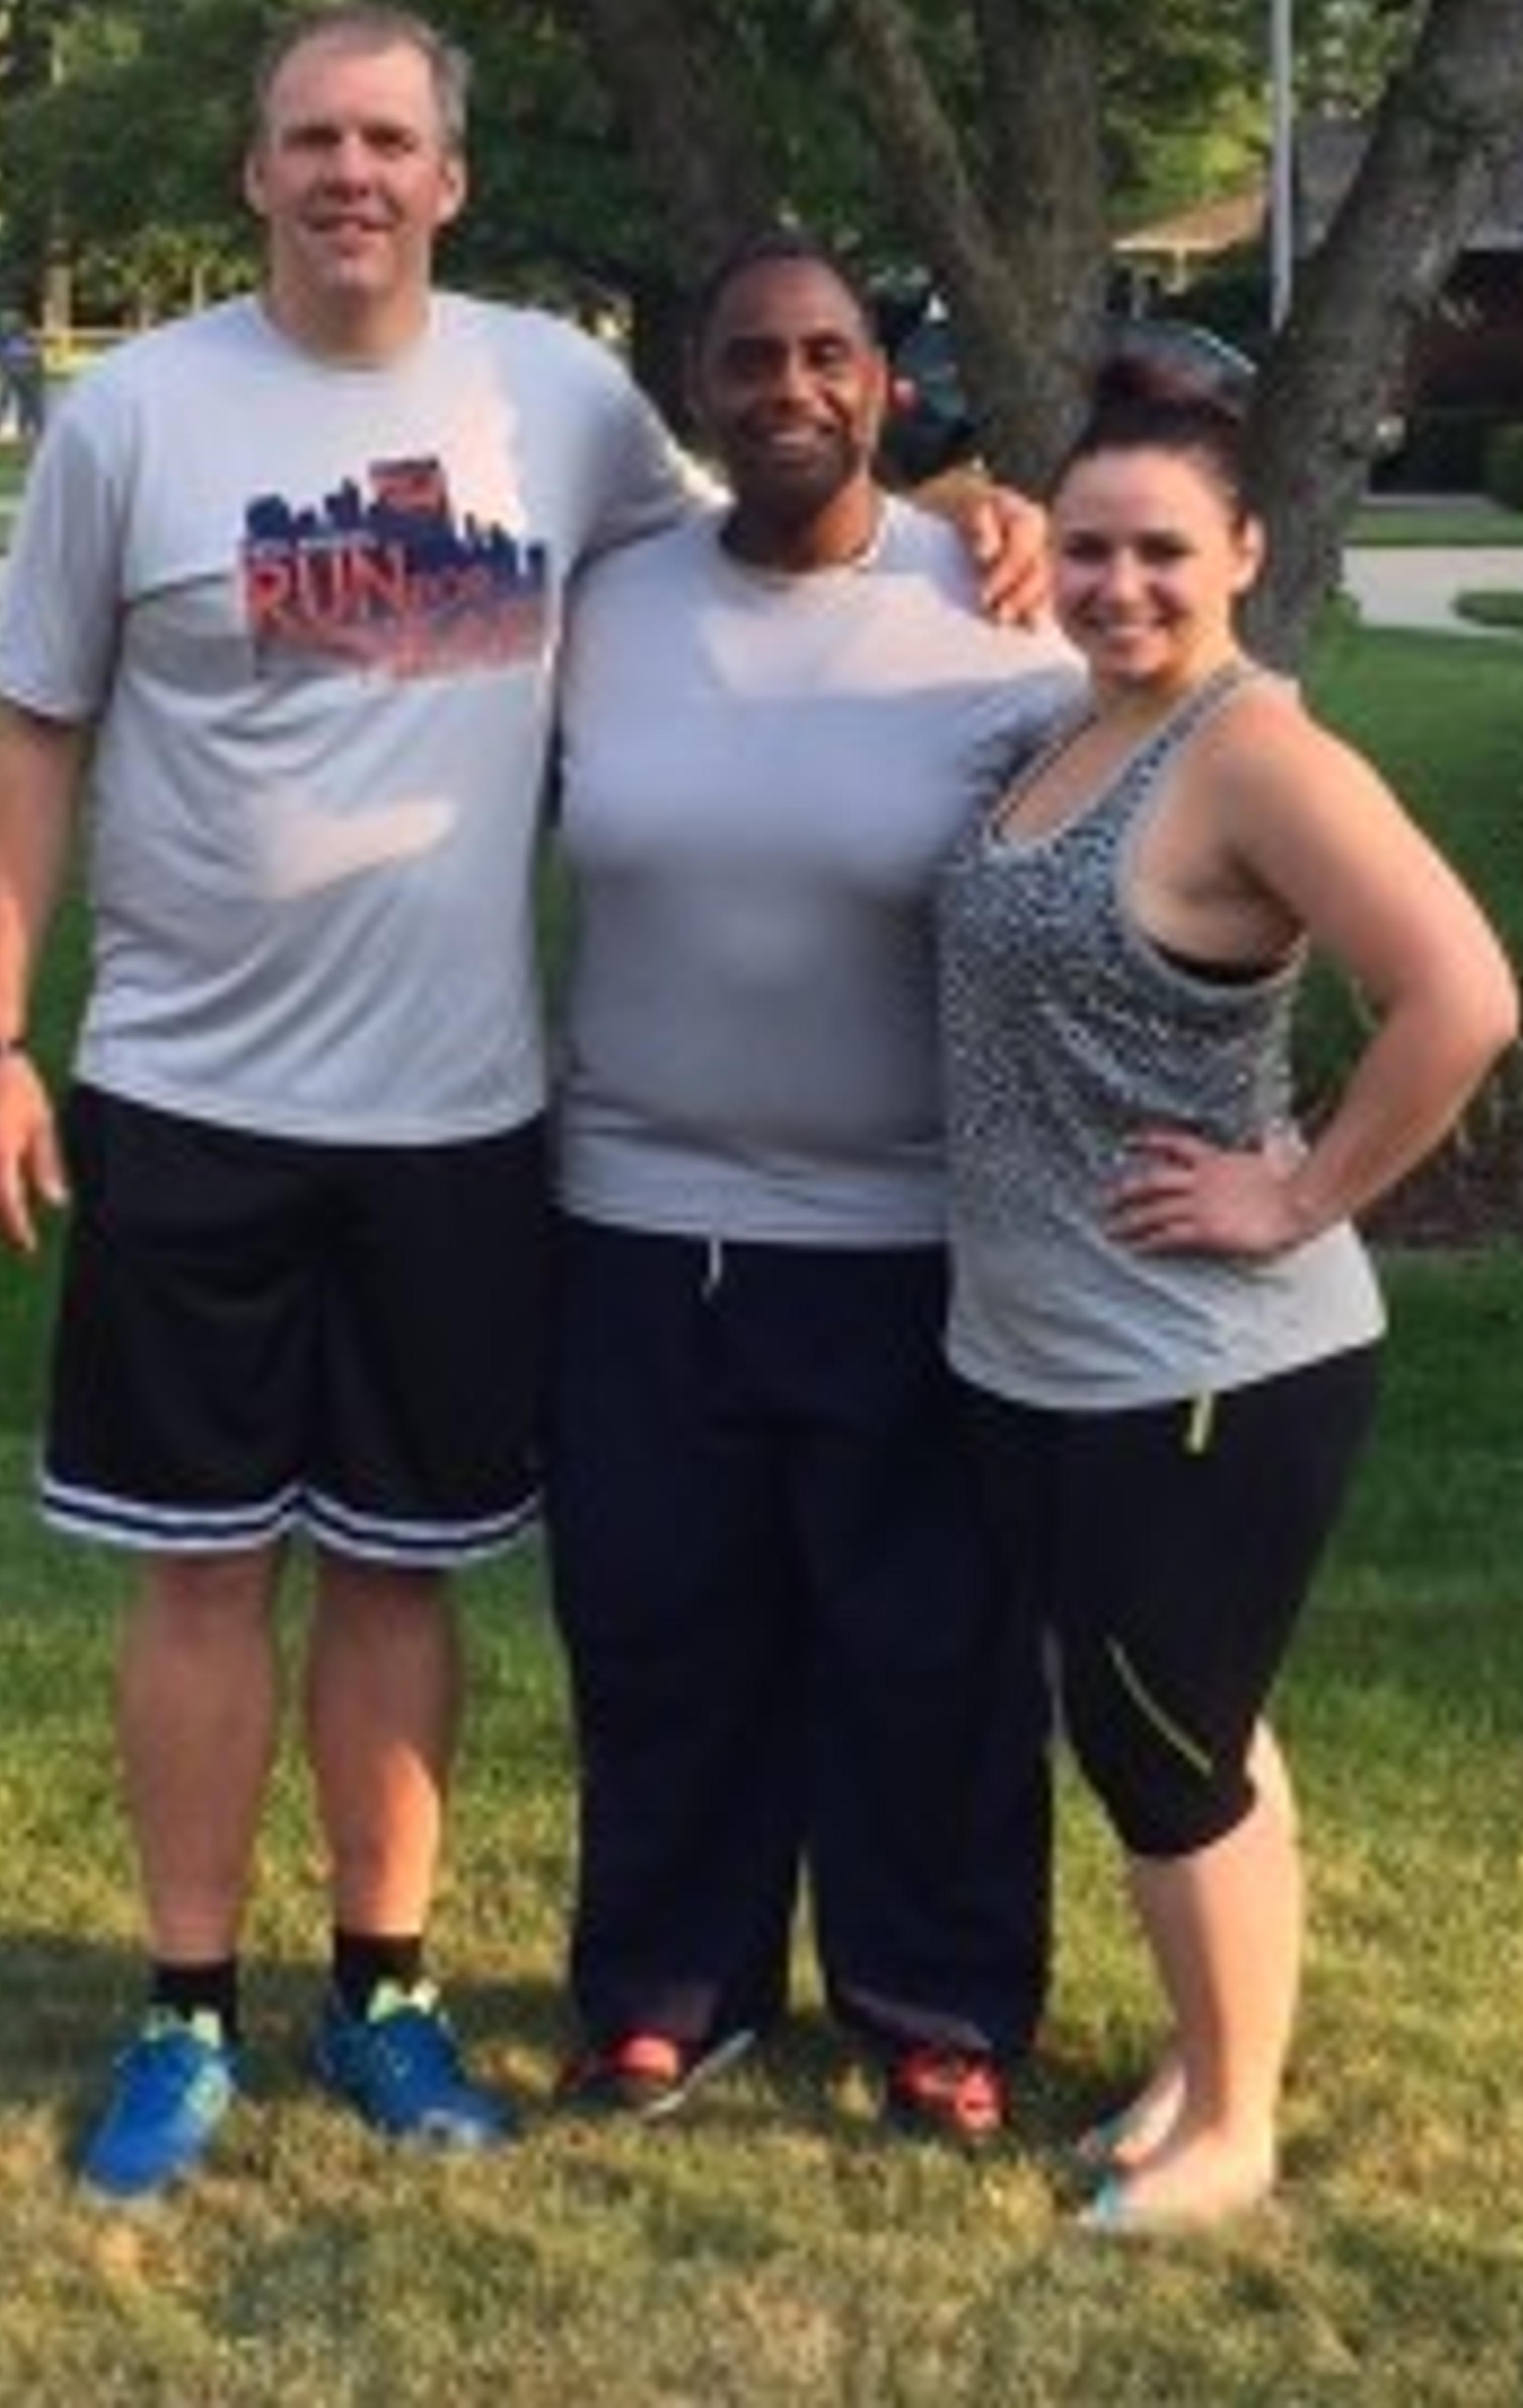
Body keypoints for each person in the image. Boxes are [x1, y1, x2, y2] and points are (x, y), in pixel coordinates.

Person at [0, 2, 1043, 2201]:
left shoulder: (552, 395)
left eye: (389, 139)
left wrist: (963, 505)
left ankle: (388, 1989)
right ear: (253, 174)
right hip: (187, 1092)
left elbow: (772, 513)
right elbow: (27, 733)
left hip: (458, 1118)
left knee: (397, 1575)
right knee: (193, 1577)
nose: (349, 171)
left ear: (449, 177)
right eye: (308, 138)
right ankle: (182, 2010)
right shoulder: (135, 420)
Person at [933, 357, 1518, 2233]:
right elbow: (954, 516)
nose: (1121, 584)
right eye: (1089, 546)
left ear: (1247, 552)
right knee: (1197, 1718)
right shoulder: (1075, 723)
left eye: (1163, 552)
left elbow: (1462, 994)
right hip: (1047, 1345)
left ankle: (1235, 2119)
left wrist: (1302, 1188)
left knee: (1158, 1740)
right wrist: (973, 508)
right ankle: (1209, 2038)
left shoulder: (1256, 752)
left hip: (1197, 1355)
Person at [546, 233, 1076, 2137]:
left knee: (927, 1646)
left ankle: (938, 2000)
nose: (792, 388)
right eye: (752, 357)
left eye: (828, 354)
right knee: (661, 1628)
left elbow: (1206, 750)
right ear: (697, 388)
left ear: (886, 380)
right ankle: (664, 1994)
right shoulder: (604, 601)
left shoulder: (1004, 592)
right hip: (632, 1222)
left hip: (912, 1232)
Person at [0, 311, 46, 443]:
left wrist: (35, 368)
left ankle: (31, 429)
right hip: (11, 373)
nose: (6, 326)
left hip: (28, 374)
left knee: (30, 402)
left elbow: (38, 356)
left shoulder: (28, 337)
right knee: (4, 400)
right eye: (5, 324)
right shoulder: (3, 339)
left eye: (9, 323)